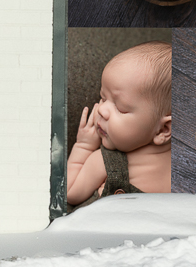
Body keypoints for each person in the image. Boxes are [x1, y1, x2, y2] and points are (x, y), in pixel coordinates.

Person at [66, 41, 172, 205]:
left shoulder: (104, 161)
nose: (101, 110)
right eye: (103, 98)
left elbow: (69, 193)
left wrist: (83, 146)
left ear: (163, 129)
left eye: (120, 108)